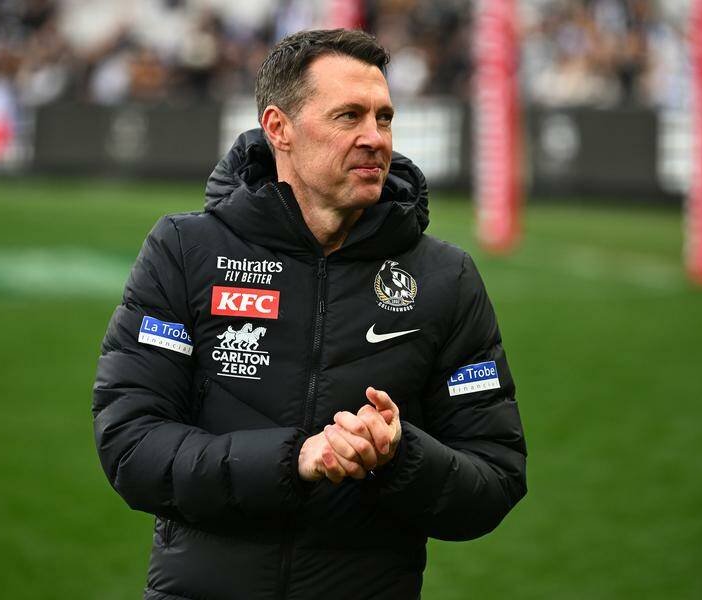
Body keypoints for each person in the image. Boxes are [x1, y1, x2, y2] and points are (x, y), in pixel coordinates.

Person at [93, 29, 527, 600]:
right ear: (280, 129)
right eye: (349, 116)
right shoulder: (185, 250)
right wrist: (293, 459)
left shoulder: (446, 278)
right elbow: (131, 445)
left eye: (384, 117)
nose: (374, 137)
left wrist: (400, 455)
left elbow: (495, 476)